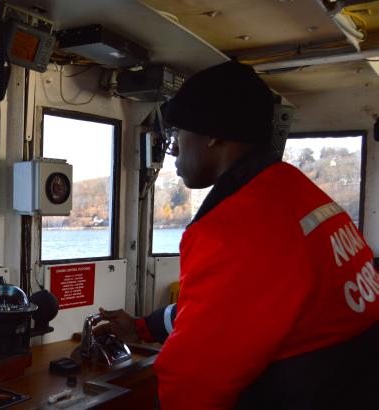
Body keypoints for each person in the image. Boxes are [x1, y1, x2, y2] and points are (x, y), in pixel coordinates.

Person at [96, 60, 379, 410]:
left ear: (212, 134)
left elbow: (191, 386)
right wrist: (142, 327)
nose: (173, 151)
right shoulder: (297, 191)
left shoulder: (234, 230)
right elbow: (231, 310)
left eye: (178, 133)